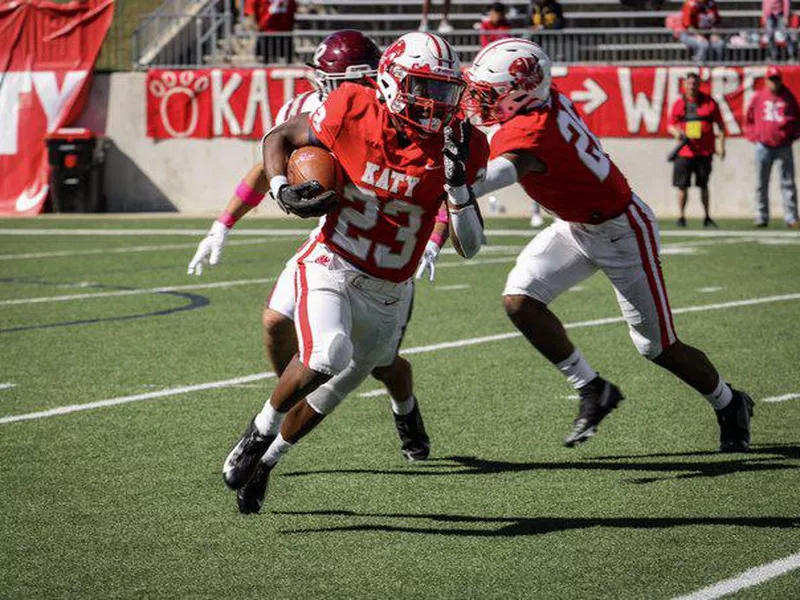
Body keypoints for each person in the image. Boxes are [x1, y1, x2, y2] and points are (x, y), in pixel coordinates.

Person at [224, 32, 489, 513]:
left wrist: (457, 186)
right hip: (335, 260)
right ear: (390, 83)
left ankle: (266, 465)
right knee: (328, 353)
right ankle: (257, 431)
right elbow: (280, 137)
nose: (435, 104)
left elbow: (468, 246)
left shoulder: (464, 143)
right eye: (424, 89)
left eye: (444, 92)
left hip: (391, 289)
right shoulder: (352, 107)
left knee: (334, 393)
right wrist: (283, 189)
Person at [462, 38, 753, 453]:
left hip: (622, 231)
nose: (480, 101)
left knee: (657, 347)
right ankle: (592, 388)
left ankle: (729, 402)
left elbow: (488, 179)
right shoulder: (545, 100)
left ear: (521, 92)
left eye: (490, 93)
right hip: (576, 225)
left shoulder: (530, 130)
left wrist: (448, 172)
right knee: (519, 301)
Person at [188, 31, 447, 464]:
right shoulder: (310, 112)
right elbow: (266, 161)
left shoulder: (399, 118)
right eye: (323, 80)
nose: (325, 90)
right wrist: (224, 224)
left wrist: (436, 240)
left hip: (386, 256)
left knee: (386, 365)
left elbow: (436, 191)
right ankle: (291, 395)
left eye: (335, 80)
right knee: (276, 322)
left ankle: (406, 412)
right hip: (329, 246)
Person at [744, 66, 800, 229]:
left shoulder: (789, 97)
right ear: (766, 80)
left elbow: (797, 119)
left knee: (788, 182)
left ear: (781, 79)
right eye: (771, 79)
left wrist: (793, 136)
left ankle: (791, 217)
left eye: (776, 79)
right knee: (761, 183)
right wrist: (754, 136)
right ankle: (761, 216)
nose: (774, 82)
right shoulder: (758, 97)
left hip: (784, 145)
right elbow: (748, 119)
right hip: (763, 146)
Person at [667, 72, 725, 228]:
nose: (692, 86)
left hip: (704, 152)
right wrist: (677, 133)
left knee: (704, 185)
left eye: (695, 83)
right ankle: (681, 216)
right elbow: (670, 125)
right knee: (682, 185)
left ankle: (707, 216)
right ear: (684, 84)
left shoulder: (709, 102)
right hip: (685, 152)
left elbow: (720, 125)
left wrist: (721, 146)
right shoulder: (679, 103)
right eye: (689, 83)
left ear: (699, 84)